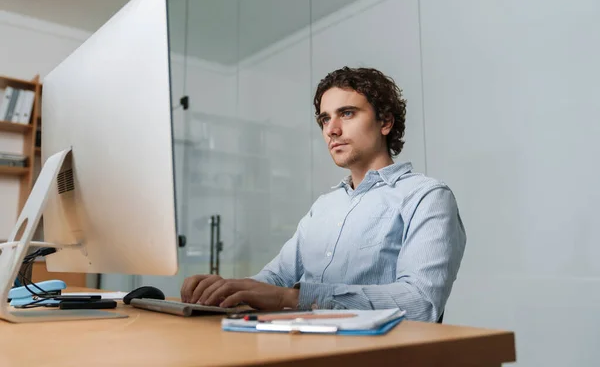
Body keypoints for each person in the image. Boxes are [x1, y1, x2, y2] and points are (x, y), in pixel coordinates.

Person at [180, 66, 466, 322]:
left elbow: (420, 302)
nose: (332, 129)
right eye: (325, 119)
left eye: (347, 113)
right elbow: (275, 278)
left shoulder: (426, 197)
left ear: (385, 122)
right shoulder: (324, 207)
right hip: (302, 349)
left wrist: (291, 298)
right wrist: (225, 289)